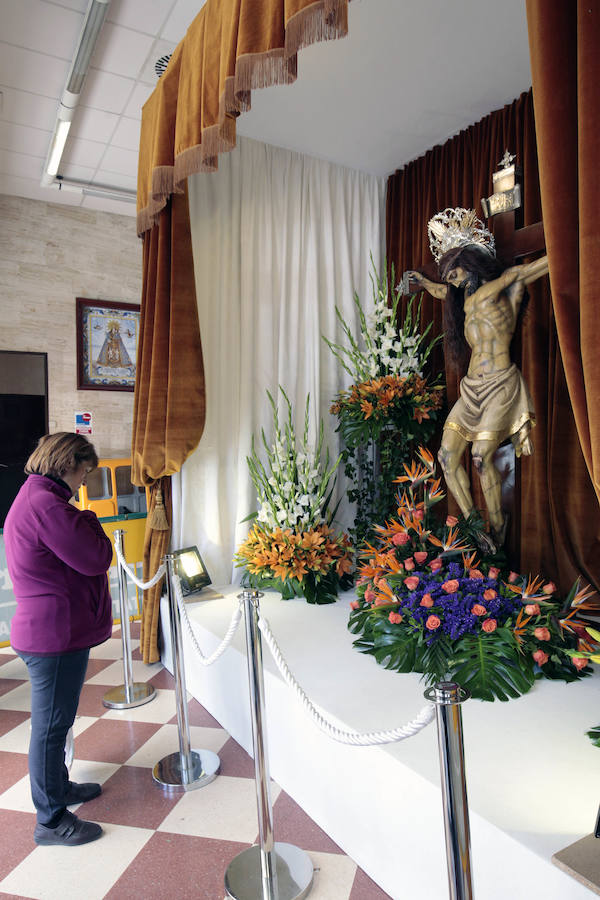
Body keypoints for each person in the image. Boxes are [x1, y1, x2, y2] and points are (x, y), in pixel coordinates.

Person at [405, 207, 549, 551]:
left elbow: (531, 269)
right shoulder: (463, 297)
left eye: (452, 271)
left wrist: (569, 240)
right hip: (471, 390)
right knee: (446, 457)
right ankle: (475, 527)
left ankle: (498, 527)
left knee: (482, 456)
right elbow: (441, 292)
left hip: (500, 382)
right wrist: (422, 282)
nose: (450, 278)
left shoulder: (505, 286)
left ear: (468, 261)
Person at [4, 433, 113, 846]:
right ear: (69, 463)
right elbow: (96, 557)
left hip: (50, 628)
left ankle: (60, 789)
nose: (83, 483)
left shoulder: (34, 497)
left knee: (56, 723)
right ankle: (50, 821)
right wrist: (89, 519)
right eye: (84, 473)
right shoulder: (48, 506)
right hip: (53, 633)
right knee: (50, 729)